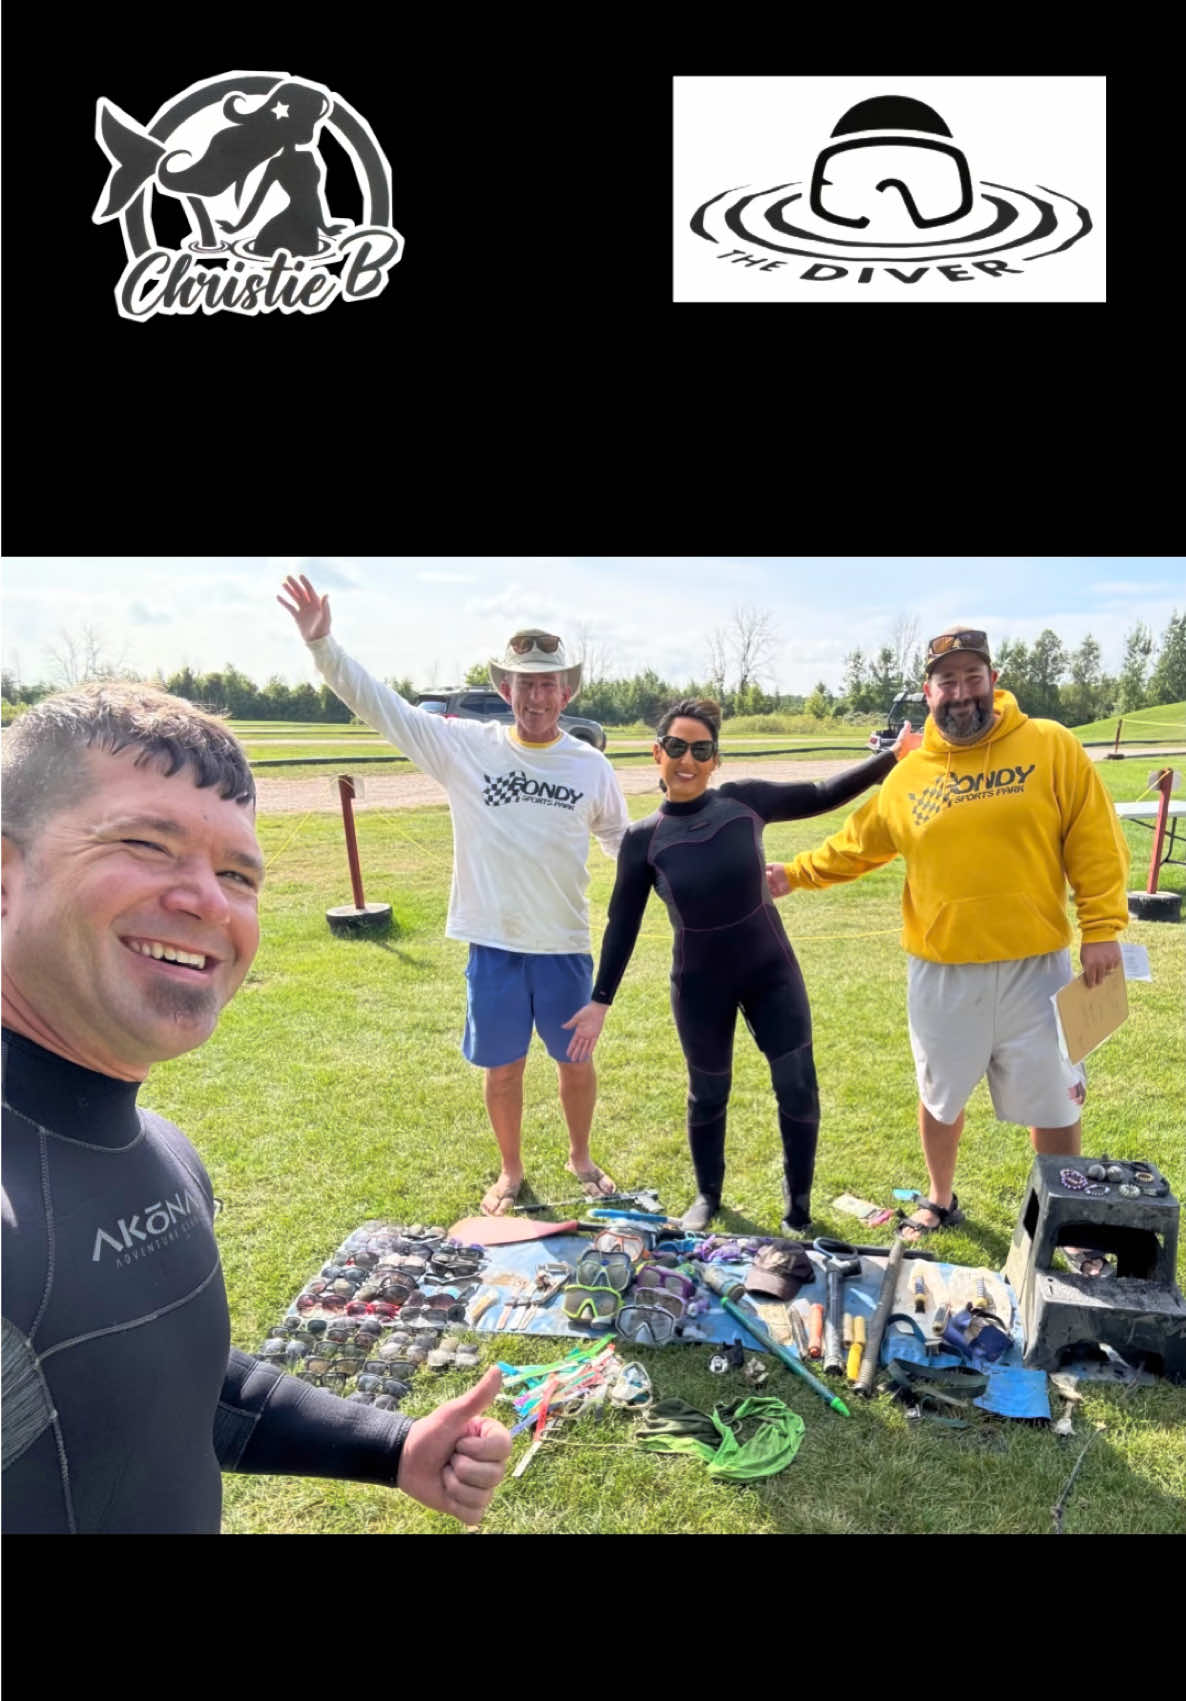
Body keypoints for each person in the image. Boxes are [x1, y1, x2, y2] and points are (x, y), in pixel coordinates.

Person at [1, 683, 512, 1533]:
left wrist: (392, 1445)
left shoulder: (160, 1150)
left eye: (239, 873)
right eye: (145, 842)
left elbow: (171, 1383)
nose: (208, 899)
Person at [767, 627, 1129, 1271]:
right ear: (928, 692)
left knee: (1051, 1096)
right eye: (946, 681)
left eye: (971, 677)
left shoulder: (1049, 745)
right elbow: (856, 845)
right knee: (941, 1095)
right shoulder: (909, 776)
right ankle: (939, 1197)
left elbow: (1094, 839)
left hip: (1035, 966)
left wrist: (1101, 928)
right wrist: (793, 875)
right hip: (941, 970)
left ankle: (1067, 1221)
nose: (960, 693)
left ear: (992, 679)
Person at [278, 573, 630, 1215]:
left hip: (565, 944)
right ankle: (511, 1170)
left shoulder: (590, 765)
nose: (537, 696)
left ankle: (579, 1157)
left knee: (575, 1064)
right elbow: (384, 707)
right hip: (493, 944)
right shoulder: (463, 747)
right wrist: (324, 647)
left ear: (567, 689)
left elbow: (623, 845)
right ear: (505, 689)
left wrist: (689, 873)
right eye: (525, 683)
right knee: (503, 1068)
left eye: (549, 683)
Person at [562, 699, 914, 1233]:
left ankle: (798, 1206)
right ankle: (708, 1196)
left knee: (797, 1083)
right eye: (676, 747)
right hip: (700, 984)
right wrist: (599, 1000)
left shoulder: (742, 802)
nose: (688, 760)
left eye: (701, 750)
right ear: (657, 753)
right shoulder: (642, 840)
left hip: (770, 969)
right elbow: (622, 924)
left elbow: (821, 794)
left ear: (715, 760)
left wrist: (890, 757)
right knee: (708, 1092)